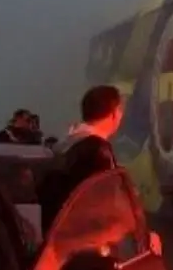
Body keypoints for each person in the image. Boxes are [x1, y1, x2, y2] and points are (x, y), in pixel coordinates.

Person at [39, 86, 124, 233]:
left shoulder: (67, 143)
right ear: (114, 114)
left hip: (58, 235)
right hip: (85, 240)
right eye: (120, 110)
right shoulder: (97, 150)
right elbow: (104, 207)